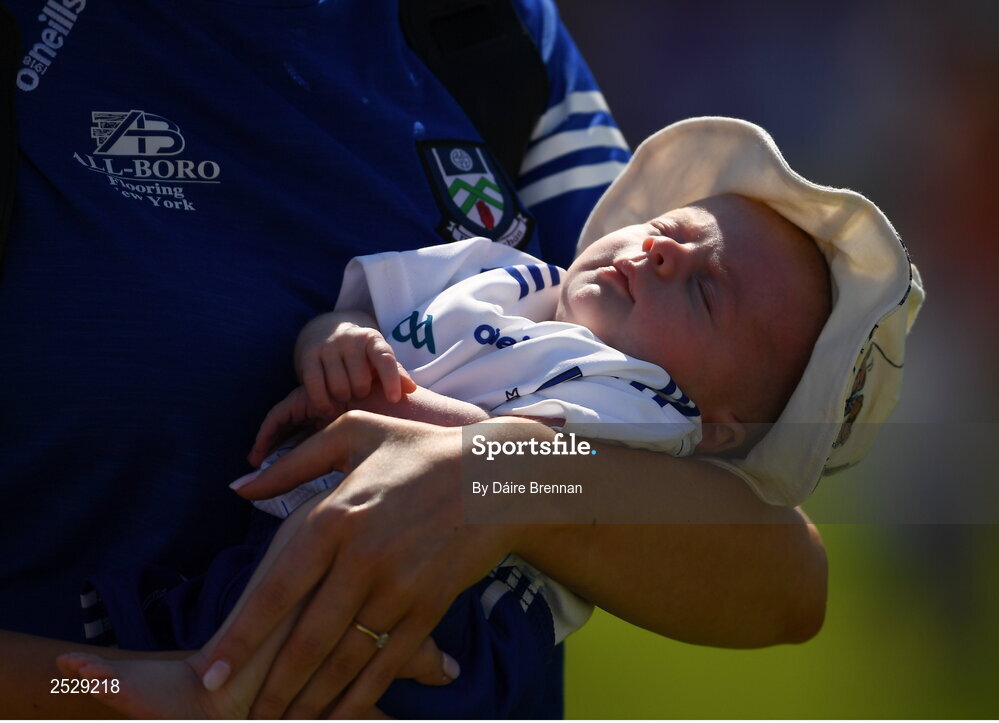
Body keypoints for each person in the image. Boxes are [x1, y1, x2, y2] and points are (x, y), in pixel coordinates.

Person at [0, 0, 830, 715]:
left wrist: (495, 476)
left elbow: (783, 577)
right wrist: (139, 699)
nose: (661, 256)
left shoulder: (489, 30)